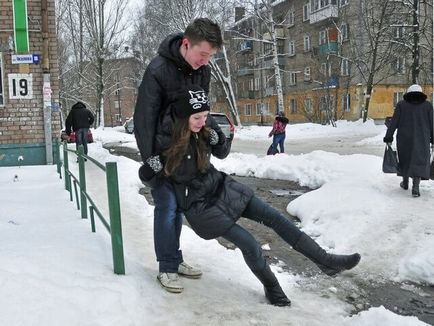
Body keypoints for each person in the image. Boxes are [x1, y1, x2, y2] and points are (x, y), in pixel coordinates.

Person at [141, 85, 361, 306]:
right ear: (182, 116)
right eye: (197, 117)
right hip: (200, 206)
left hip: (221, 187)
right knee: (250, 244)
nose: (203, 121)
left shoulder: (205, 128)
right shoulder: (166, 139)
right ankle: (272, 288)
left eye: (206, 116)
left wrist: (219, 138)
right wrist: (152, 167)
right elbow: (148, 176)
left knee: (275, 217)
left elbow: (222, 152)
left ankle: (326, 261)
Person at [133, 18, 223, 293]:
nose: (205, 62)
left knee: (178, 210)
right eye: (203, 55)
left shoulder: (202, 71)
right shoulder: (158, 70)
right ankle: (167, 267)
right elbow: (144, 118)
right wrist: (150, 158)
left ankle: (175, 258)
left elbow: (202, 111)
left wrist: (210, 139)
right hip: (162, 155)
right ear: (186, 44)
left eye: (210, 57)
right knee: (167, 208)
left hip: (187, 155)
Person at [384, 84, 434, 197]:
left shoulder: (401, 105)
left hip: (404, 138)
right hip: (422, 139)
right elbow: (432, 124)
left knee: (405, 159)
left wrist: (389, 137)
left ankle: (405, 182)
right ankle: (415, 187)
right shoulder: (427, 106)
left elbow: (394, 122)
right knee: (419, 161)